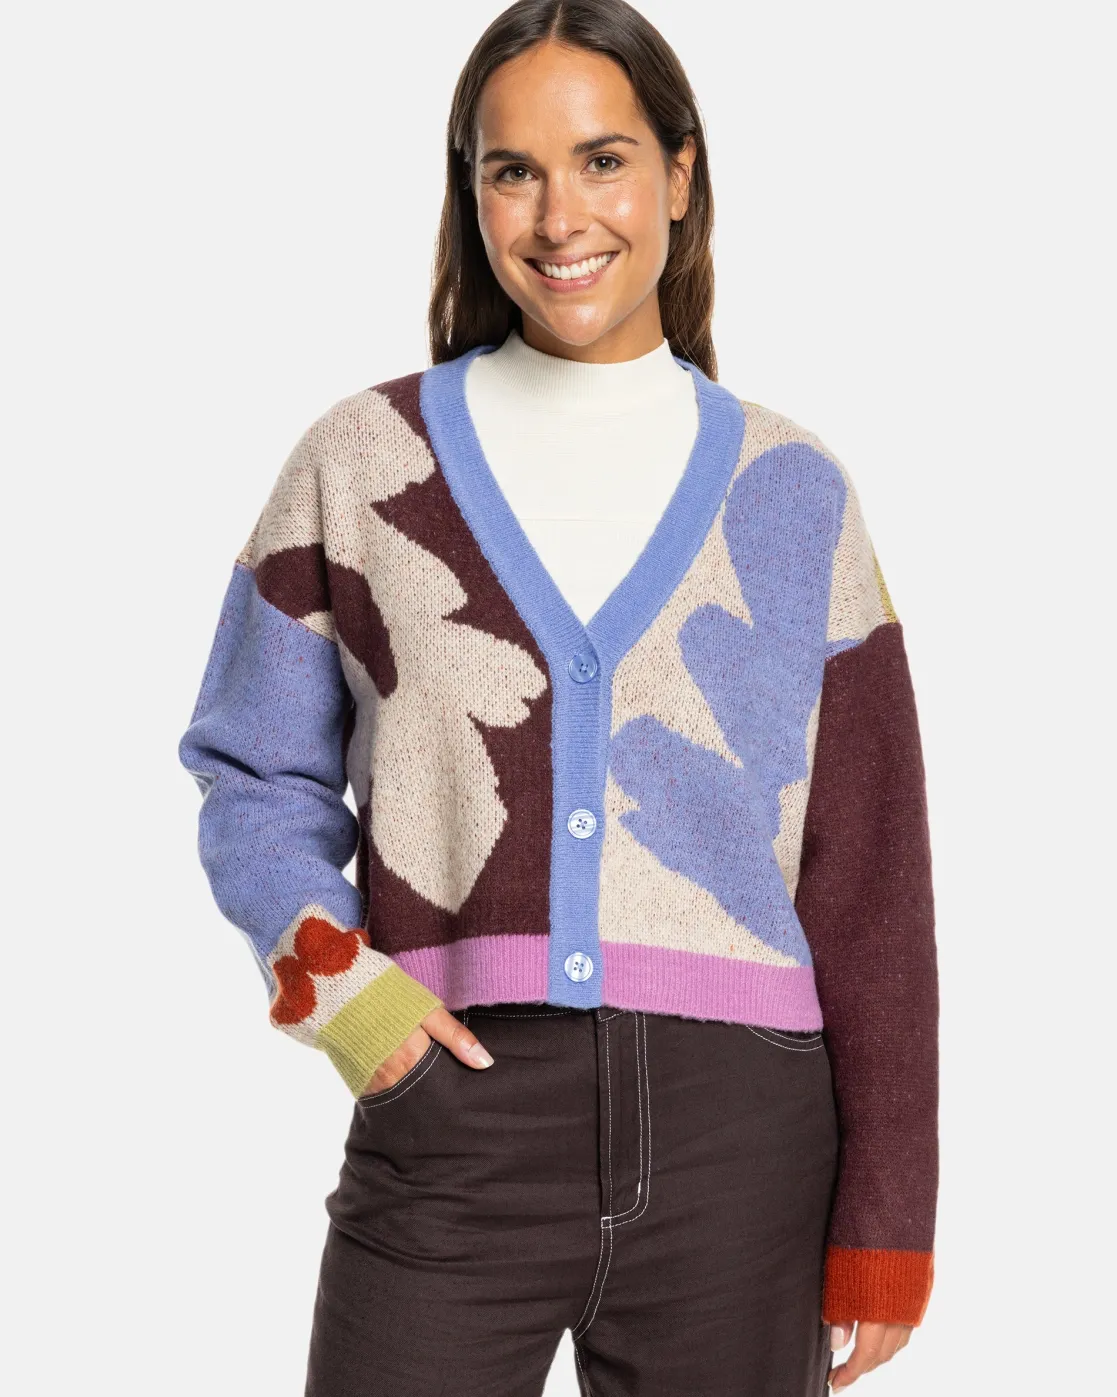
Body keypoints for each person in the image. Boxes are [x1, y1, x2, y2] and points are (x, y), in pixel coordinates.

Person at [177, 2, 939, 1393]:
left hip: (744, 1143)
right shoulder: (362, 459)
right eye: (512, 170)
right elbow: (253, 767)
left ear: (680, 176)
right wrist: (343, 993)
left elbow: (871, 874)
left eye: (603, 160)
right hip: (451, 1114)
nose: (559, 215)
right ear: (469, 195)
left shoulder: (793, 491)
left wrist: (888, 1215)